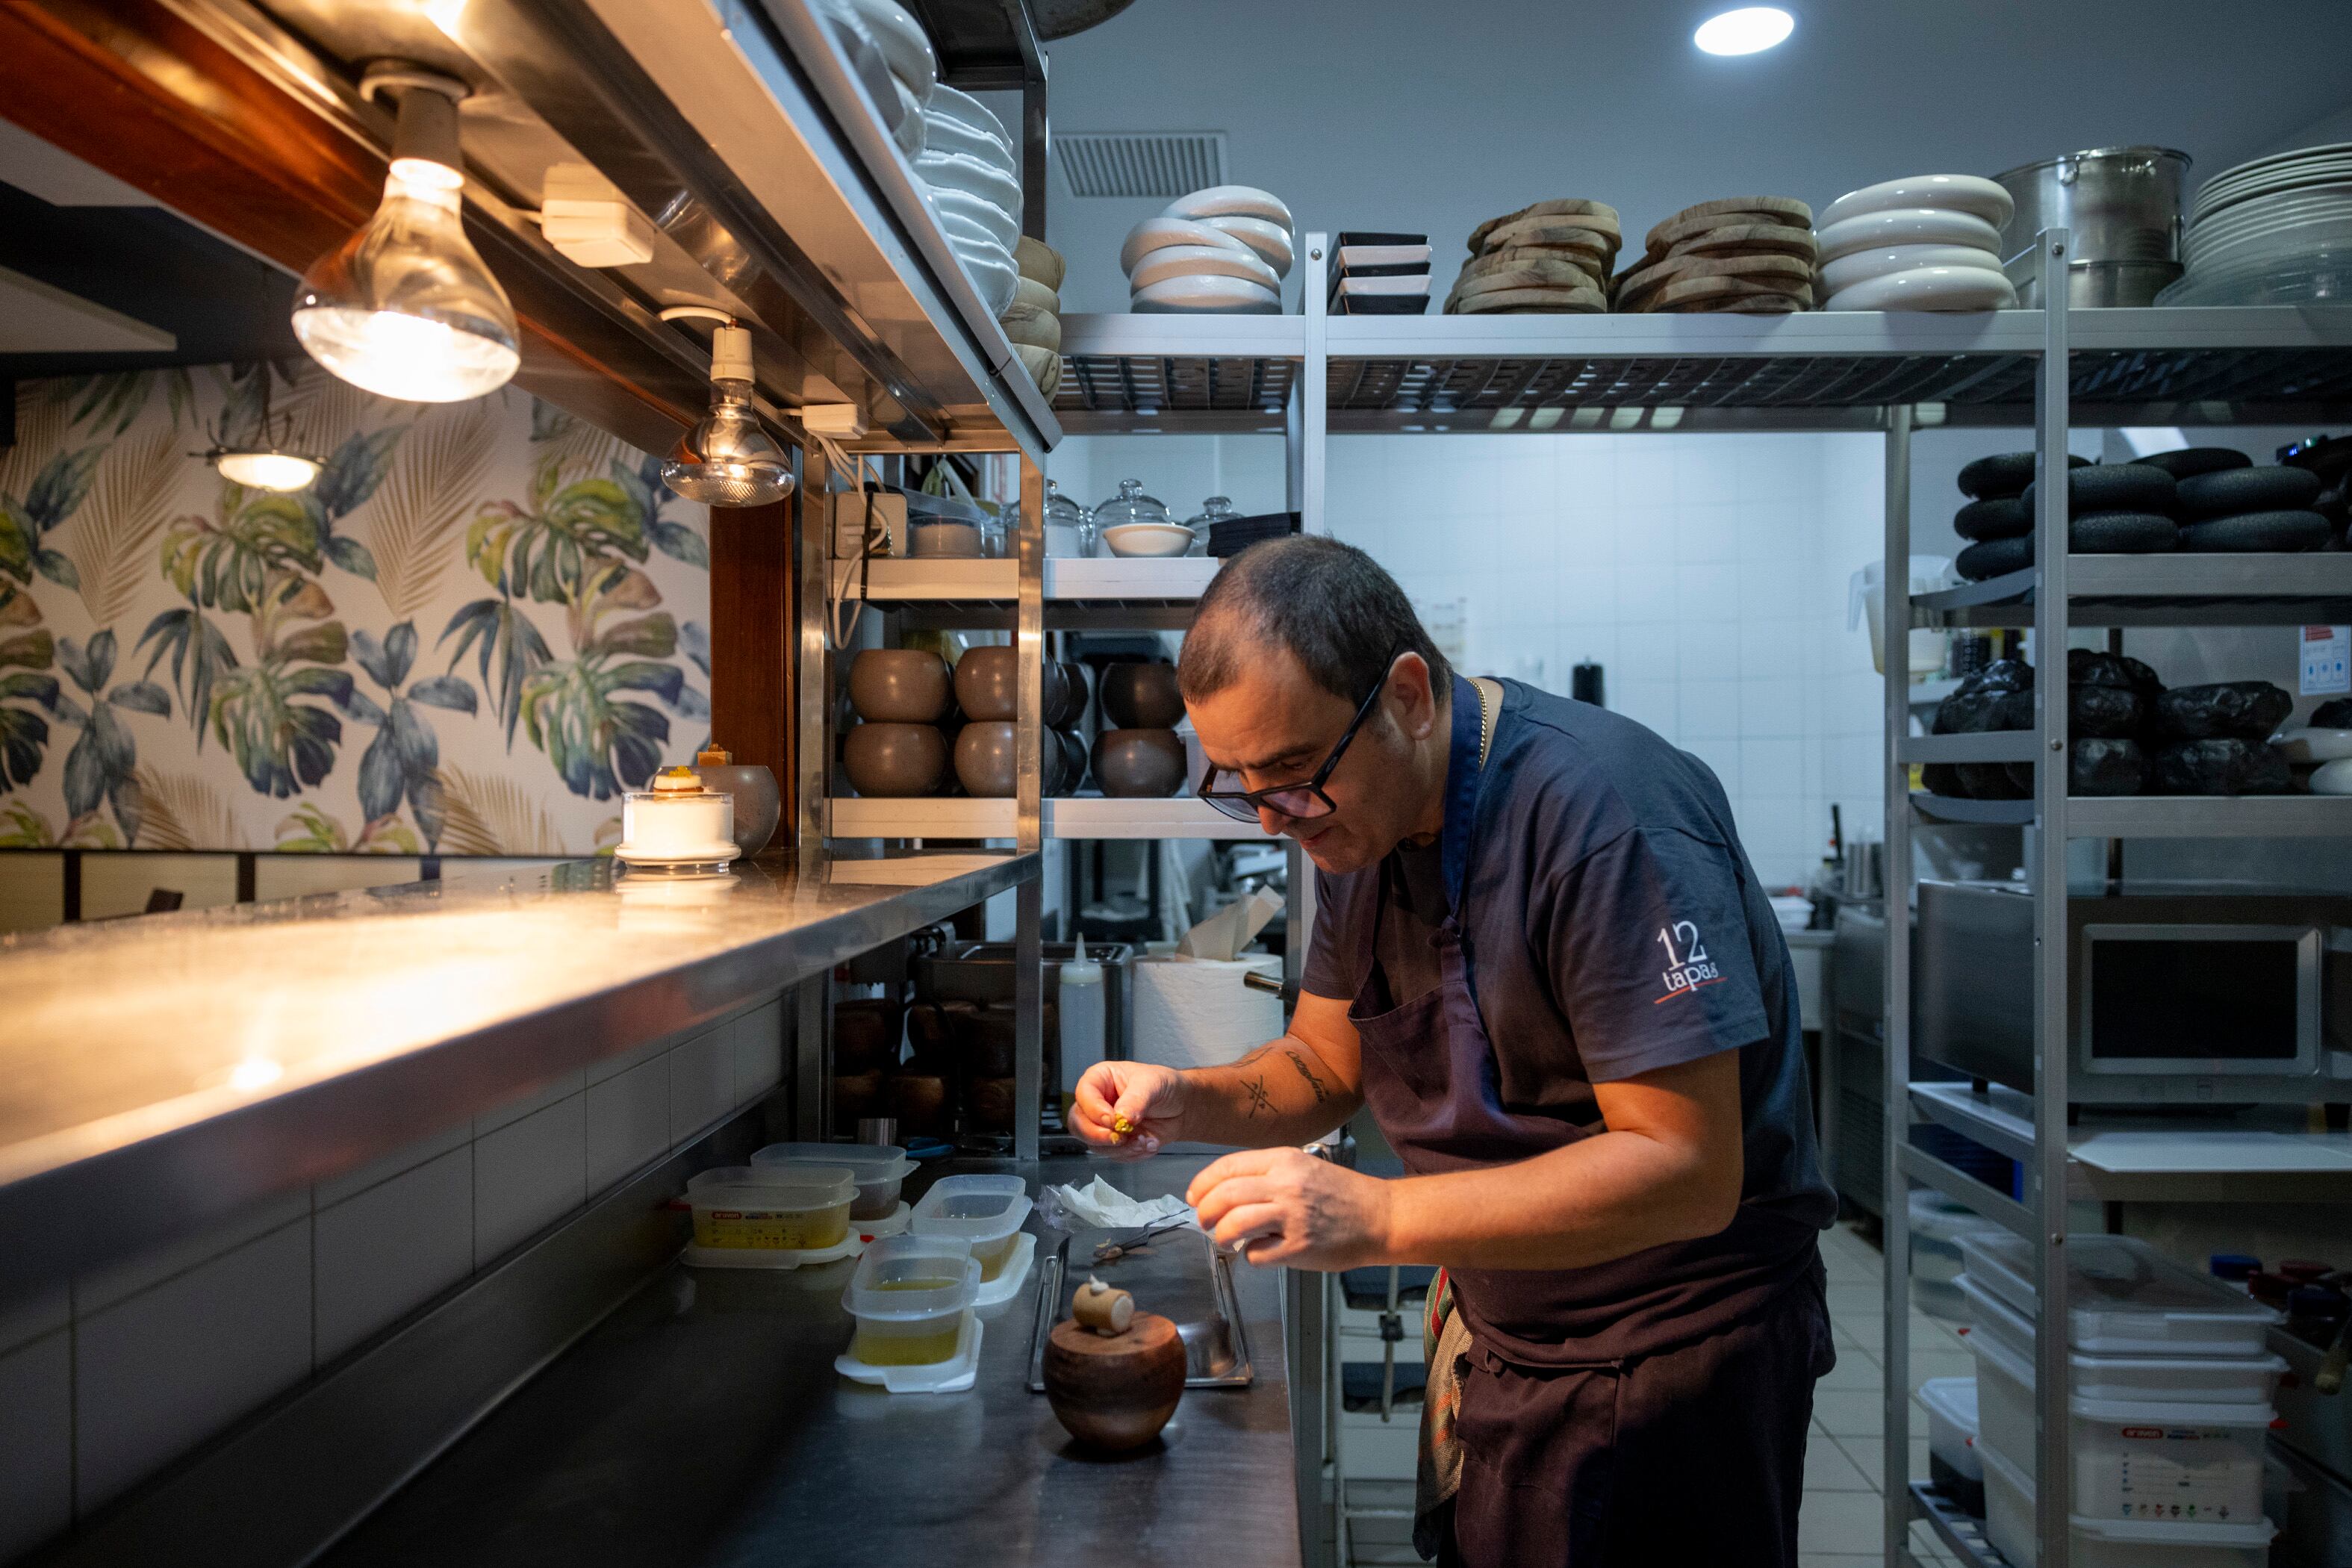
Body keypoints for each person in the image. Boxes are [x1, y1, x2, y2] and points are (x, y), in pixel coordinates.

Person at [1071, 536, 1836, 1568]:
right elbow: (1318, 1067)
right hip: (1512, 1334)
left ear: (1407, 696)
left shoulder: (1604, 816)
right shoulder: (1359, 825)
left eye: (1292, 777)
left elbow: (1685, 1170)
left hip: (1668, 1362)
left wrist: (1381, 1216)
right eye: (1241, 783)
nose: (1272, 816)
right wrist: (1181, 1097)